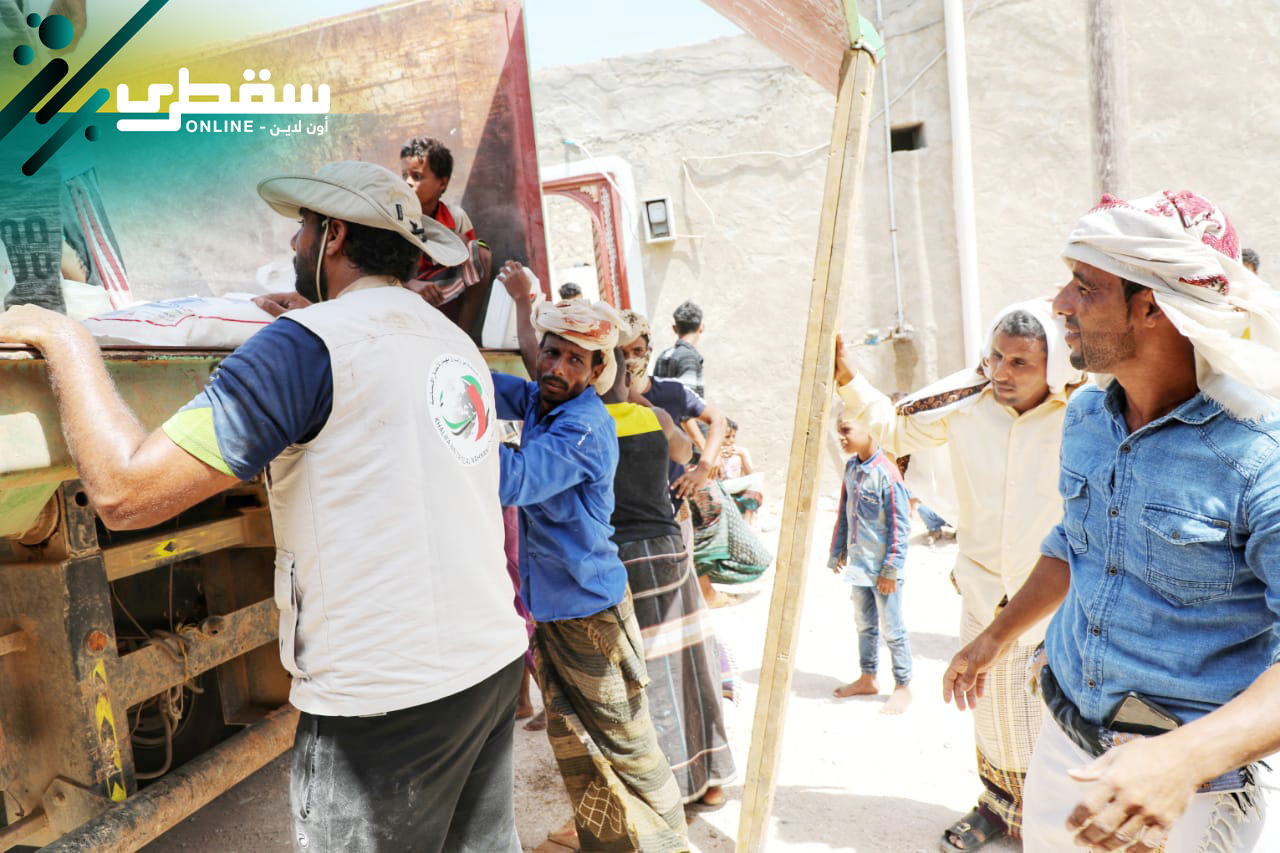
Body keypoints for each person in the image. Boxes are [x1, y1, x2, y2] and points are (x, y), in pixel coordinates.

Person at [0, 161, 529, 852]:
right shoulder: (450, 342)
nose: (293, 245)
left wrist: (66, 341)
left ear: (335, 235)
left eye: (302, 229)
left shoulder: (305, 347)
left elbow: (126, 493)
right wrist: (312, 327)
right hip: (489, 666)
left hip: (381, 703)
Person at [944, 190, 1280, 852]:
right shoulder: (1087, 418)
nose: (1060, 303)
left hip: (1185, 795)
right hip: (1064, 746)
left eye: (1084, 285)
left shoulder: (1258, 457)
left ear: (1150, 306)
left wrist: (1184, 760)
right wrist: (996, 636)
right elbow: (1076, 544)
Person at [835, 298, 1083, 852]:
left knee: (1053, 717)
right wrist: (847, 374)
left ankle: (1051, 820)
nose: (1001, 372)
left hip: (1055, 597)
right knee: (990, 711)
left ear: (1053, 367)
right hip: (982, 587)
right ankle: (998, 808)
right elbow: (893, 430)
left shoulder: (1084, 412)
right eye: (996, 357)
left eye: (1020, 362)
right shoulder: (966, 405)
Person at [490, 285, 689, 852]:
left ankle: (668, 845)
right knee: (579, 745)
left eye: (575, 360)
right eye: (551, 352)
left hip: (588, 610)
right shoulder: (542, 400)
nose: (557, 367)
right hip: (557, 606)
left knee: (626, 746)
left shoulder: (583, 426)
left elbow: (515, 480)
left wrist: (456, 429)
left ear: (598, 370)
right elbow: (483, 385)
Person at [599, 343, 736, 807]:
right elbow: (684, 448)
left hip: (621, 560)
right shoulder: (653, 414)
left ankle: (663, 784)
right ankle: (711, 778)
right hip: (667, 551)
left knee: (643, 674)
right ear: (626, 377)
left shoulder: (584, 422)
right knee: (692, 664)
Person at [621, 309, 733, 605]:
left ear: (648, 351)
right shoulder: (602, 399)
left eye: (637, 350)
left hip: (672, 510)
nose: (631, 359)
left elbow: (717, 420)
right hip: (626, 519)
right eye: (622, 352)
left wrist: (703, 468)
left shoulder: (671, 392)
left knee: (676, 594)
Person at [828, 414, 913, 714]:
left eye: (846, 430)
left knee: (892, 628)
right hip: (860, 566)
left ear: (870, 429)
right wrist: (838, 550)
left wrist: (890, 569)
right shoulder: (852, 468)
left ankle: (902, 686)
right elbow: (845, 511)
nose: (841, 437)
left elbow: (900, 526)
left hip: (883, 569)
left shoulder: (887, 474)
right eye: (839, 431)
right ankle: (868, 677)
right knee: (864, 624)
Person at [399, 136, 491, 334]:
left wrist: (458, 240)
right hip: (403, 288)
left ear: (442, 182)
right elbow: (378, 271)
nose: (407, 182)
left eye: (417, 176)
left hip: (441, 290)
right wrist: (411, 284)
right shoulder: (395, 216)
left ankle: (464, 335)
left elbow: (472, 261)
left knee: (480, 252)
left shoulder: (455, 217)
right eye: (404, 175)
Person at [716, 418, 764, 525]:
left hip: (736, 488)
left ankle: (747, 521)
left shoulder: (742, 452)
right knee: (757, 478)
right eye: (727, 437)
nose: (731, 440)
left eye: (734, 436)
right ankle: (746, 524)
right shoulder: (713, 452)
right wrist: (718, 456)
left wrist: (742, 456)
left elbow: (750, 477)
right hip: (720, 487)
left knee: (757, 479)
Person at [654, 299, 706, 397]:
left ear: (675, 328)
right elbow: (688, 399)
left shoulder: (664, 356)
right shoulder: (689, 357)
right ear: (701, 327)